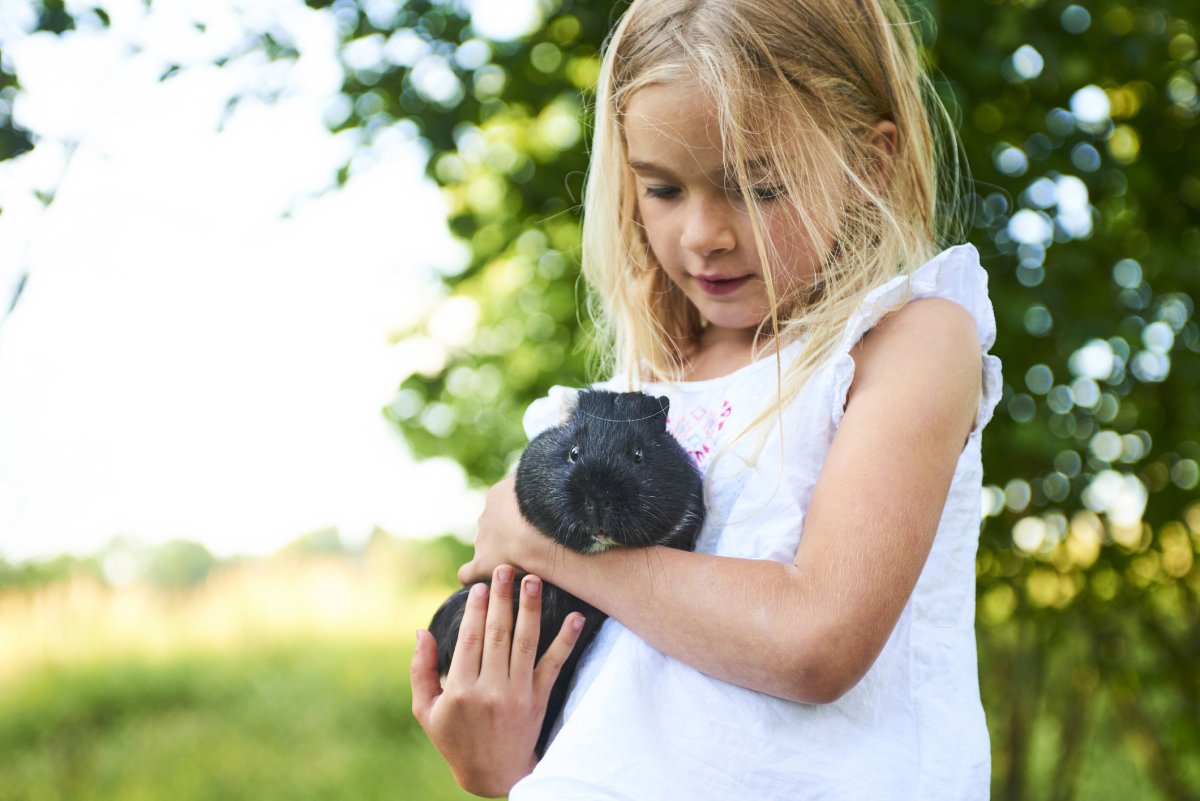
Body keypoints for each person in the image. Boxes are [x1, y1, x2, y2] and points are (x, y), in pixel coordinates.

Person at [410, 0, 1003, 797]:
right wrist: (502, 767)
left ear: (875, 161)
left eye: (759, 187)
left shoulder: (905, 344)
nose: (703, 233)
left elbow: (814, 640)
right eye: (661, 189)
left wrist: (550, 544)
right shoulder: (638, 386)